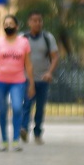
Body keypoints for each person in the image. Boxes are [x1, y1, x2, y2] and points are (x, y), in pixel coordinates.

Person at [0, 14, 35, 152]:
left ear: (16, 26)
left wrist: (31, 83)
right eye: (5, 24)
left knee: (17, 108)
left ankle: (16, 140)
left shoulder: (24, 42)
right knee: (3, 110)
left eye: (11, 24)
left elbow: (28, 64)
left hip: (18, 81)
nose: (8, 26)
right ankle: (4, 141)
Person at [21, 11, 59, 144]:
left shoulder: (48, 38)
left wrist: (49, 72)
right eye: (34, 20)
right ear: (29, 22)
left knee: (40, 107)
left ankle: (37, 133)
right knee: (26, 104)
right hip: (26, 78)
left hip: (43, 79)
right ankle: (24, 129)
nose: (37, 23)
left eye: (40, 21)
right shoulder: (23, 38)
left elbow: (55, 57)